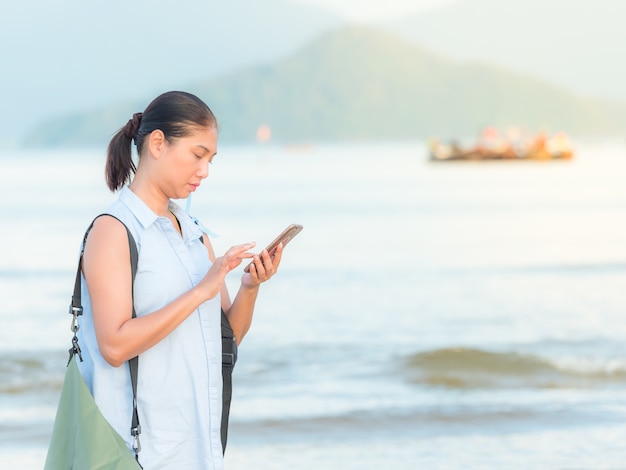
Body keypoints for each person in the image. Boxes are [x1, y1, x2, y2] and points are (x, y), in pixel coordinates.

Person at [77, 90, 282, 469]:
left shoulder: (194, 233)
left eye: (211, 159)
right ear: (158, 143)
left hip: (200, 446)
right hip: (138, 450)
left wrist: (249, 288)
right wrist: (202, 290)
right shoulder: (114, 231)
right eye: (198, 154)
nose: (205, 170)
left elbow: (226, 339)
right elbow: (115, 346)